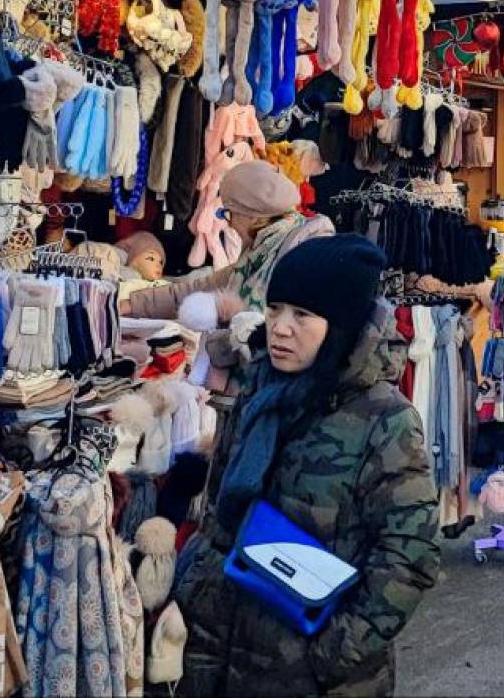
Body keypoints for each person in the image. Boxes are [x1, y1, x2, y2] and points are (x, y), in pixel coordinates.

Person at [175, 235, 441, 695]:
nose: (280, 327)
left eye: (303, 315)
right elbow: (219, 514)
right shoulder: (258, 391)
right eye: (275, 309)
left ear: (339, 326)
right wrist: (194, 590)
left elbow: (408, 556)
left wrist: (332, 652)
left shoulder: (385, 419)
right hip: (224, 656)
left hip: (316, 674)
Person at [121, 161, 334, 319]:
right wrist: (131, 305)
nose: (228, 224)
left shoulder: (305, 256)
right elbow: (196, 289)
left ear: (253, 216)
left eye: (229, 214)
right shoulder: (255, 256)